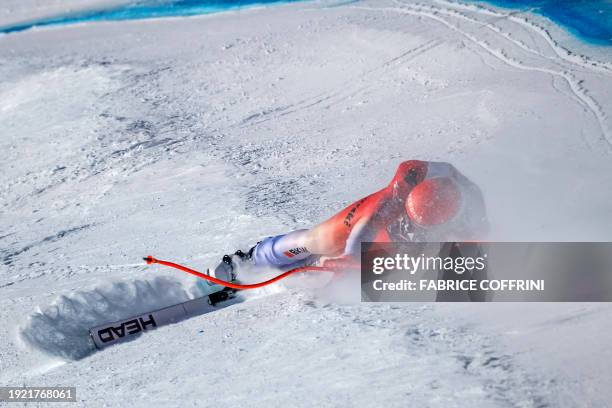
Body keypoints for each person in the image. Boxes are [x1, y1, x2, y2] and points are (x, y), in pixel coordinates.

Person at [213, 160, 488, 282]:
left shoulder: (474, 221)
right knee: (323, 239)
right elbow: (367, 225)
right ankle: (256, 257)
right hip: (388, 208)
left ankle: (321, 271)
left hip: (411, 241)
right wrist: (351, 253)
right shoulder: (413, 178)